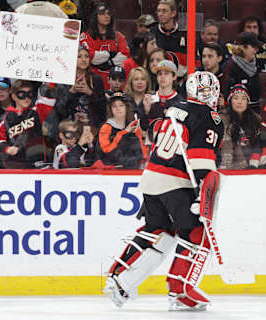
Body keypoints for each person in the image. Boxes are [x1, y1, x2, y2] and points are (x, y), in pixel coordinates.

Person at [103, 71, 223, 311]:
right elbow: (201, 159)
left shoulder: (175, 108)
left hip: (152, 176)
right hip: (175, 182)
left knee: (157, 230)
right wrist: (201, 195)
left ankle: (120, 278)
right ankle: (180, 291)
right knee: (196, 233)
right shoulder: (210, 117)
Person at [0, 80, 44, 169]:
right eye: (22, 95)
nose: (27, 98)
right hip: (16, 165)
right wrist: (8, 149)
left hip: (37, 163)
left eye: (29, 94)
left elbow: (49, 99)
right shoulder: (6, 118)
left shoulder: (37, 111)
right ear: (14, 96)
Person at [79, 2, 130, 90]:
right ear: (95, 16)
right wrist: (111, 55)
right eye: (102, 13)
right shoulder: (85, 36)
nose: (107, 16)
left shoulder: (118, 36)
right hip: (92, 83)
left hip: (114, 84)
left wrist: (109, 63)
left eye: (108, 14)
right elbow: (91, 56)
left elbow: (125, 55)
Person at [55, 45, 106, 130]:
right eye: (79, 56)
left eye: (86, 56)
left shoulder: (96, 79)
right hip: (70, 129)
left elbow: (103, 110)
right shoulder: (64, 79)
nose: (83, 59)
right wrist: (71, 91)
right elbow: (59, 111)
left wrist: (90, 92)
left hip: (92, 128)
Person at [98, 92, 148, 169]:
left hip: (132, 169)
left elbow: (142, 153)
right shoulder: (106, 127)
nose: (118, 108)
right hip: (111, 171)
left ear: (126, 107)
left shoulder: (133, 126)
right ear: (110, 109)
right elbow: (107, 153)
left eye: (121, 105)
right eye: (114, 106)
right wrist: (124, 133)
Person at [219, 84, 260, 169]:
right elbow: (226, 147)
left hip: (254, 165)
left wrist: (254, 164)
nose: (240, 102)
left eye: (243, 98)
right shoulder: (223, 119)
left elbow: (258, 145)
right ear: (230, 101)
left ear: (247, 102)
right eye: (236, 98)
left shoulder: (255, 119)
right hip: (231, 166)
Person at [222, 32, 262, 113]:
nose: (256, 50)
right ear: (243, 47)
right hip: (235, 114)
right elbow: (226, 95)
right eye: (254, 47)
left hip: (254, 113)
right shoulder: (230, 67)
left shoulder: (255, 65)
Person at [139, 60, 182, 131]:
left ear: (174, 77)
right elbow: (143, 128)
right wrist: (146, 113)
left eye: (166, 73)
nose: (162, 76)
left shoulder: (180, 101)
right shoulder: (148, 98)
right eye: (160, 74)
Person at [151, 0, 187, 77]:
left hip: (181, 79)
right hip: (158, 77)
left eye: (164, 11)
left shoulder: (185, 33)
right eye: (158, 11)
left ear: (173, 13)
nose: (160, 14)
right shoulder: (152, 34)